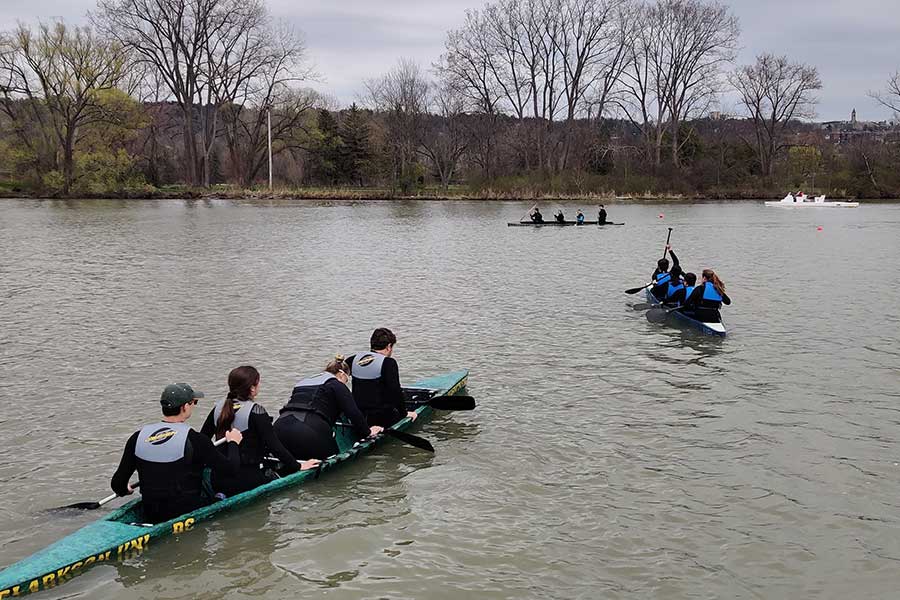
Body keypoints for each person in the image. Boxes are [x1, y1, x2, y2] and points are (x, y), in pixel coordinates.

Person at [111, 383, 243, 523]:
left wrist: (125, 490)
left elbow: (117, 484)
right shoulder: (196, 440)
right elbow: (231, 469)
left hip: (152, 511)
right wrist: (233, 442)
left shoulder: (137, 437)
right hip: (186, 512)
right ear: (185, 407)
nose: (194, 406)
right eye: (194, 402)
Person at [199, 366, 319, 497]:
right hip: (247, 479)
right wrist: (298, 466)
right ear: (252, 388)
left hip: (217, 480)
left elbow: (203, 441)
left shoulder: (218, 408)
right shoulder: (257, 411)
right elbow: (275, 447)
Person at [274, 356, 383, 460]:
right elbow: (353, 413)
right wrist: (368, 432)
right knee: (333, 460)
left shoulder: (302, 383)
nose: (345, 383)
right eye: (346, 379)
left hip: (279, 428)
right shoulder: (336, 384)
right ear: (341, 374)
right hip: (309, 432)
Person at [345, 328, 418, 427]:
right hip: (382, 418)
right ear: (388, 346)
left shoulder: (353, 359)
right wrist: (404, 413)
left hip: (359, 416)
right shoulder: (388, 363)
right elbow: (395, 391)